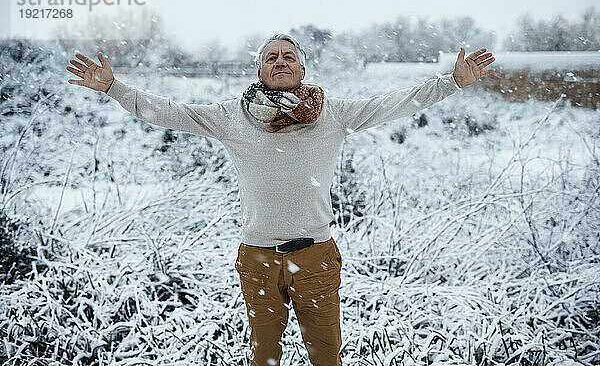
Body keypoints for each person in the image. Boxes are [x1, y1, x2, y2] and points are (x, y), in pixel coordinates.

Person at [66, 34, 495, 365]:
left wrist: (452, 82)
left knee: (327, 357)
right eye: (271, 57)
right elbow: (168, 111)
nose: (280, 61)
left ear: (303, 68)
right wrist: (113, 88)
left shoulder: (333, 112)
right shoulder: (230, 116)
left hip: (316, 257)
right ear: (259, 71)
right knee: (264, 358)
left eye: (289, 56)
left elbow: (395, 103)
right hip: (257, 259)